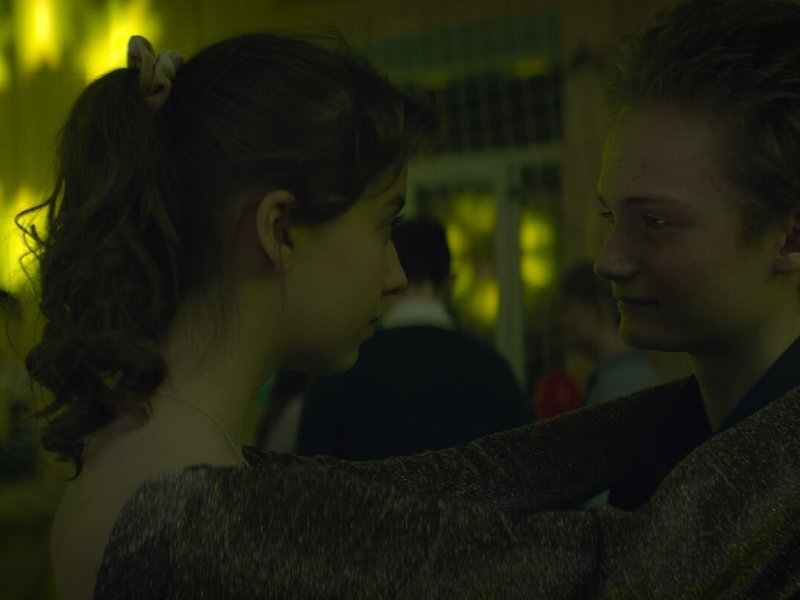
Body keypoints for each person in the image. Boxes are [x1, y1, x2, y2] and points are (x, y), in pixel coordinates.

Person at [21, 4, 800, 595]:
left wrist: (694, 409)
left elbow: (462, 479)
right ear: (280, 230)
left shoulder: (164, 463)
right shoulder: (181, 512)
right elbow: (613, 569)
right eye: (383, 224)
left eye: (656, 221)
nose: (394, 273)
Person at [295, 218, 526, 460]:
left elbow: (310, 471)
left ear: (388, 279)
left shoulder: (341, 367)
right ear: (450, 284)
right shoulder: (492, 369)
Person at [559, 263, 661, 409]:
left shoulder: (621, 385)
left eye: (565, 308)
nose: (560, 320)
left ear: (599, 310)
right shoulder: (622, 378)